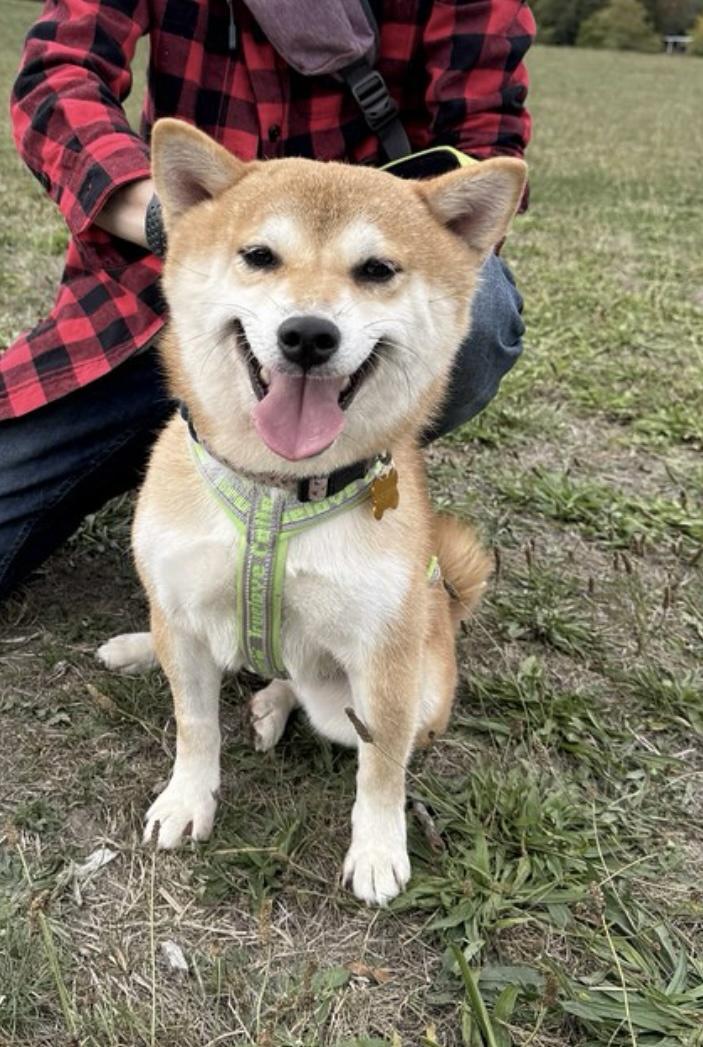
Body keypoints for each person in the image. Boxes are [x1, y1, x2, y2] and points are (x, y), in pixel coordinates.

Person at [0, 0, 535, 601]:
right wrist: (171, 219)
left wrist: (389, 238)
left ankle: (332, 485)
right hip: (151, 300)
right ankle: (189, 468)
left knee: (480, 314)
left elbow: (485, 142)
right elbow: (59, 73)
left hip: (375, 295)